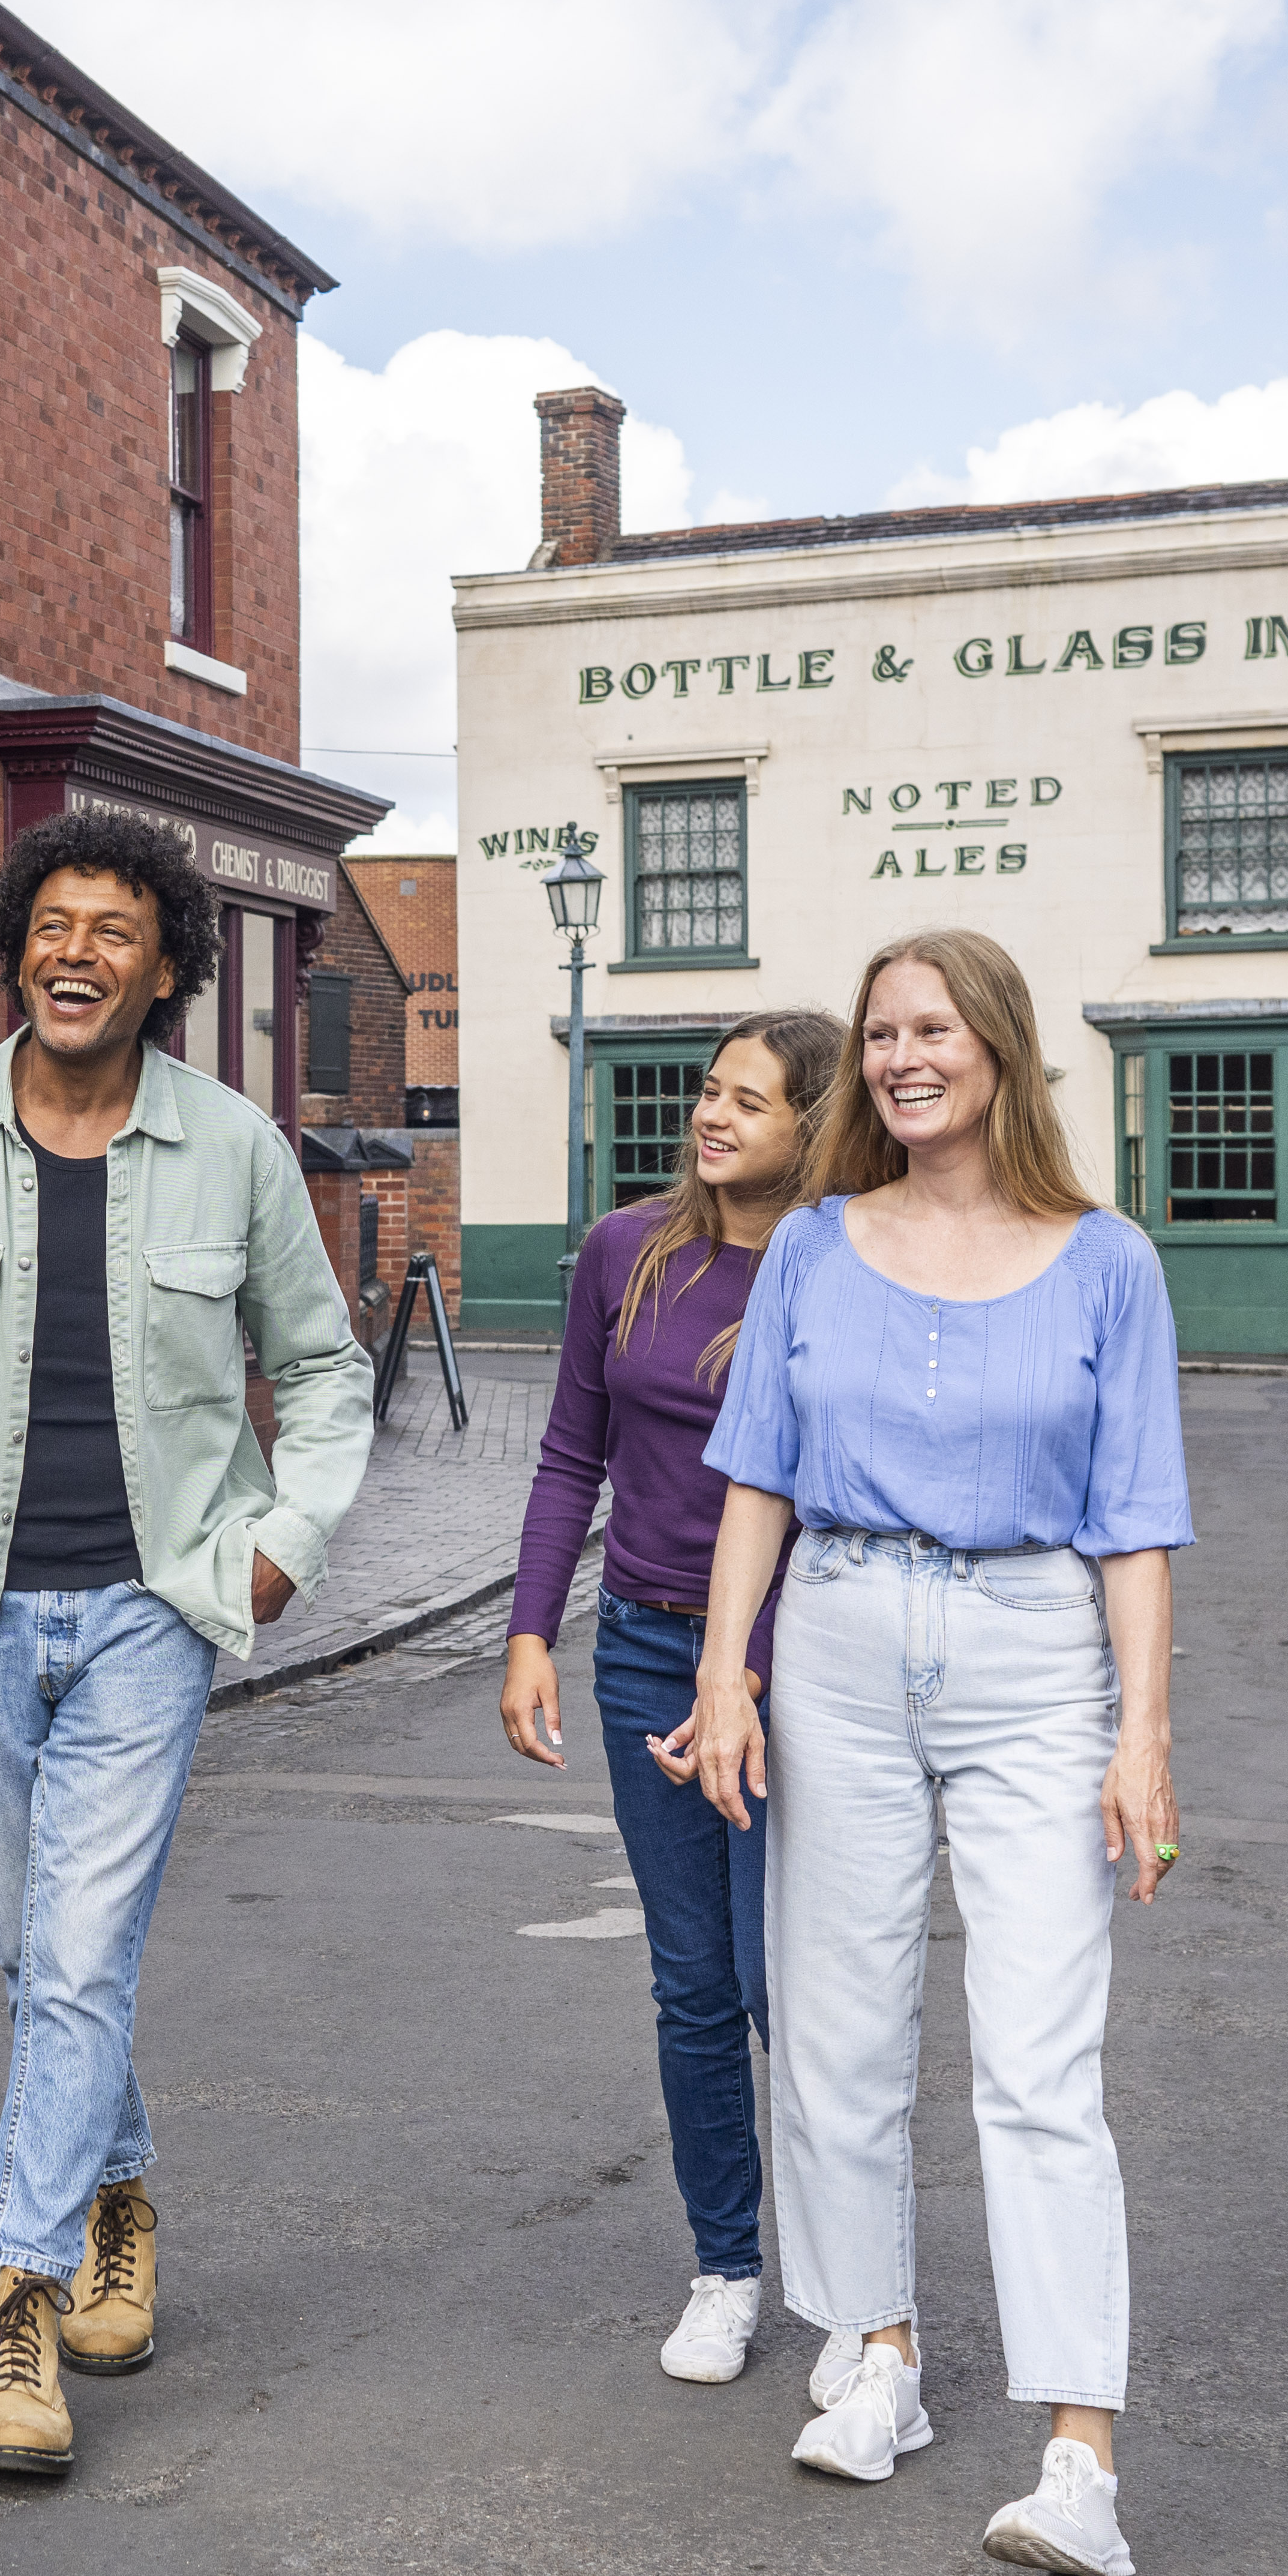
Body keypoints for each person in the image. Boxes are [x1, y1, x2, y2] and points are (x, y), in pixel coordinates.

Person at [0, 806, 374, 2485]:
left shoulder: (234, 1150)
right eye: (53, 924)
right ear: (17, 950)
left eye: (113, 929)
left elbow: (323, 1376)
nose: (76, 951)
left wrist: (280, 1547)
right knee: (43, 1963)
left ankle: (17, 2307)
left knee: (78, 1953)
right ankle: (120, 2197)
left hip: (157, 1610)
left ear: (164, 965)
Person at [676, 931, 1188, 2576]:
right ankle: (880, 2357)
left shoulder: (1108, 1261)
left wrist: (1143, 1740)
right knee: (835, 2024)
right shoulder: (815, 1248)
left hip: (1035, 1652)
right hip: (831, 1630)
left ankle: (1078, 2455)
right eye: (884, 1031)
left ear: (999, 1052)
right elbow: (755, 1472)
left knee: (1041, 2059)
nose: (902, 1057)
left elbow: (1138, 1525)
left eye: (933, 1031)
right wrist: (728, 1678)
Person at [496, 1008, 845, 2386]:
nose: (711, 1118)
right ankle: (727, 2266)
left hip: (798, 1666)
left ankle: (849, 2292)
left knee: (797, 1989)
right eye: (708, 1092)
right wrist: (531, 1631)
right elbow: (566, 1454)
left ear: (810, 1128)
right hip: (642, 1646)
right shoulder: (623, 1252)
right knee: (694, 1980)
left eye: (749, 1103)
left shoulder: (842, 1268)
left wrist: (747, 1668)